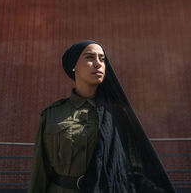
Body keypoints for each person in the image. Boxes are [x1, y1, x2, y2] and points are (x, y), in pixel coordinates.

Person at [28, 40, 176, 193]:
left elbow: (134, 171)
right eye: (90, 57)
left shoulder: (118, 114)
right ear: (74, 66)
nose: (98, 64)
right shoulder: (53, 114)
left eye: (102, 59)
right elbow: (40, 171)